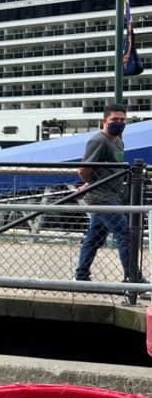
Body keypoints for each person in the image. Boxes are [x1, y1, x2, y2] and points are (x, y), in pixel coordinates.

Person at [74, 104, 132, 284]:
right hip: (101, 198)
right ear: (104, 121)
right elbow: (84, 169)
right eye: (115, 119)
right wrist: (89, 184)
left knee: (94, 237)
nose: (119, 123)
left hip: (113, 196)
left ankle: (81, 275)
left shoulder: (119, 141)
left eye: (122, 120)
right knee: (124, 233)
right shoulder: (98, 140)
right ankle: (132, 278)